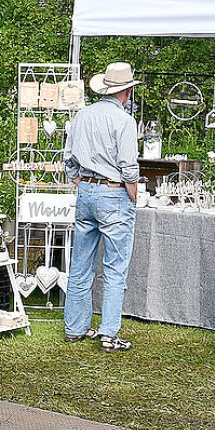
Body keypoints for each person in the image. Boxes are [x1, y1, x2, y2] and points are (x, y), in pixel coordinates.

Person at [62, 61, 141, 352]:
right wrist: (132, 194)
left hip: (86, 190)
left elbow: (68, 157)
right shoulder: (124, 121)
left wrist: (79, 181)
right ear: (127, 92)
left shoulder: (82, 115)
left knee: (81, 263)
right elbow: (129, 167)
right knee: (115, 267)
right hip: (113, 191)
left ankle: (75, 327)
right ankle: (108, 333)